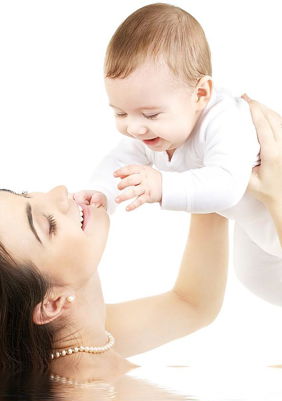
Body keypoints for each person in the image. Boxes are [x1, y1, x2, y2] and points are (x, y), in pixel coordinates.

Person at [0, 91, 280, 378]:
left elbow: (192, 304)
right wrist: (276, 194)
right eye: (48, 225)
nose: (58, 191)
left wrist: (200, 160)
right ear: (52, 304)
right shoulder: (82, 400)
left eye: (25, 195)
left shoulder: (82, 336)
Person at [74, 3, 282, 305]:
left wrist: (163, 186)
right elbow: (120, 160)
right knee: (252, 274)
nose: (134, 128)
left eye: (151, 114)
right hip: (258, 223)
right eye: (120, 113)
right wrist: (101, 192)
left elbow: (226, 185)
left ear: (200, 94)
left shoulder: (225, 121)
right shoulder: (159, 130)